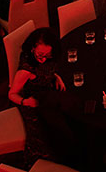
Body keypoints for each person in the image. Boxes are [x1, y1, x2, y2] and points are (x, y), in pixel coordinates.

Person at [9, 28, 78, 163]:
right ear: (32, 49)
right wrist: (26, 102)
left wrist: (55, 76)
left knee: (72, 109)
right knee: (60, 129)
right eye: (40, 55)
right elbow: (12, 94)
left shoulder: (47, 58)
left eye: (48, 55)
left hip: (47, 92)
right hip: (34, 102)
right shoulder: (26, 70)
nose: (43, 59)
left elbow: (46, 69)